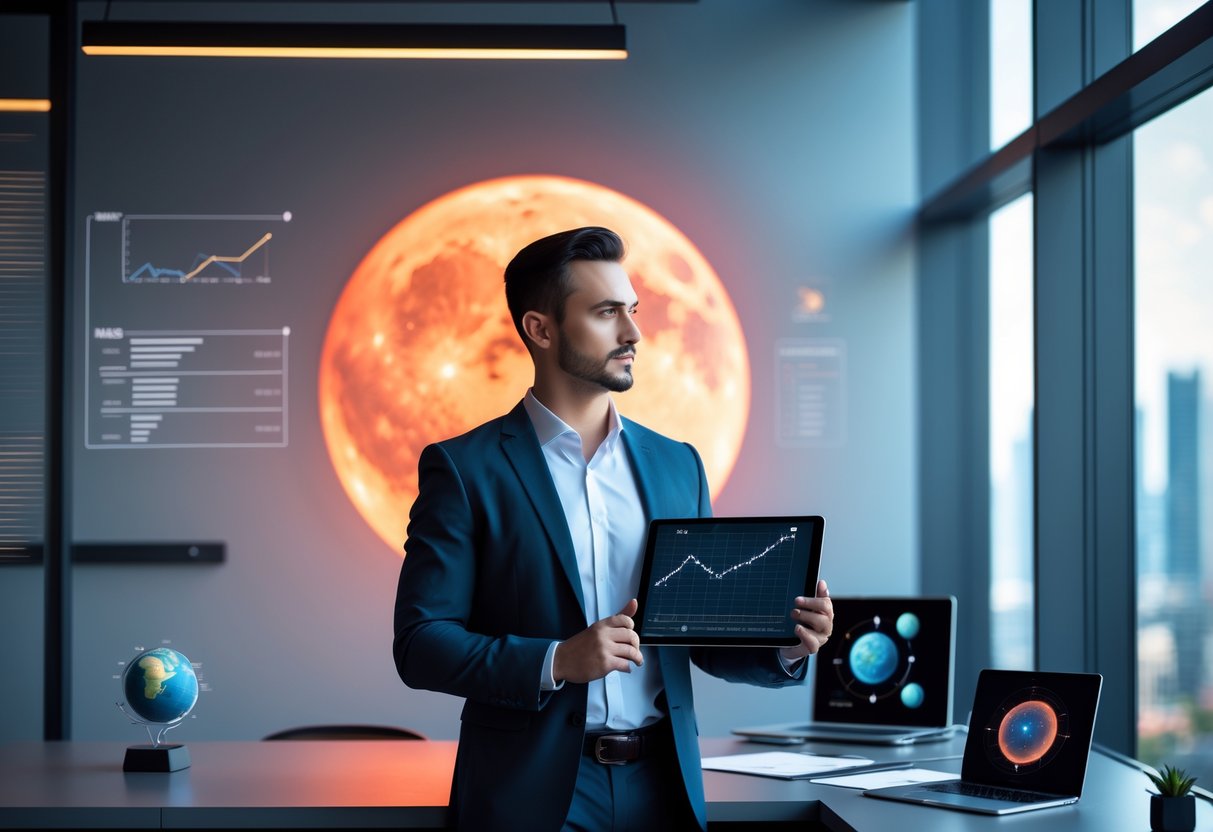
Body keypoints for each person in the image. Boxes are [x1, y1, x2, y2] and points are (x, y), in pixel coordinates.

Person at [392, 226, 834, 831]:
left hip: (665, 788)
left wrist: (785, 642)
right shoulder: (466, 469)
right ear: (540, 330)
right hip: (534, 793)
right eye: (606, 313)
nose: (633, 334)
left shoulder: (679, 463)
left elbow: (695, 634)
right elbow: (421, 645)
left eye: (632, 311)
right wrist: (557, 659)